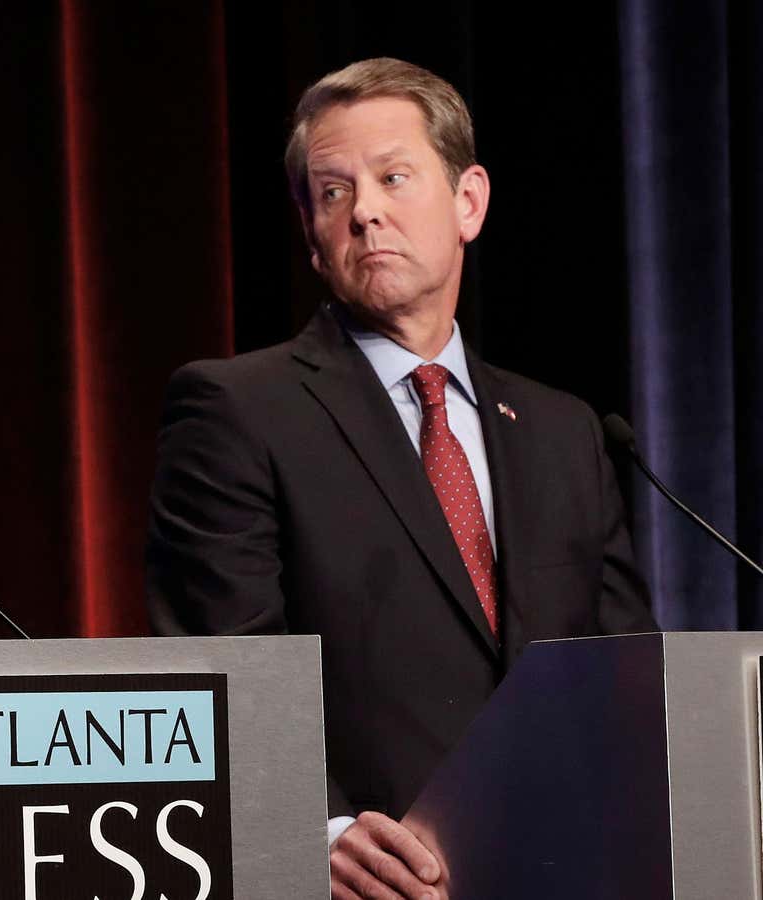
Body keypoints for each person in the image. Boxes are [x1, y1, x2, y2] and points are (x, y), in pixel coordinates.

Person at [144, 57, 658, 900]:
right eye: (334, 192)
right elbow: (222, 662)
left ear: (469, 203)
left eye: (393, 177)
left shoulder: (566, 430)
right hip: (369, 884)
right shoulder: (237, 410)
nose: (366, 212)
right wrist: (317, 830)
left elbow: (624, 669)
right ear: (310, 234)